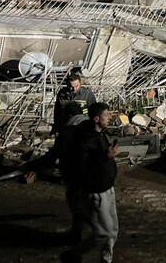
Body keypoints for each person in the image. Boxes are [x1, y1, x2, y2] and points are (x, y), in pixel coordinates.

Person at [60, 102, 120, 263]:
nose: (109, 118)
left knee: (113, 230)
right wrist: (105, 157)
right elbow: (84, 167)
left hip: (108, 187)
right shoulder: (84, 141)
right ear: (96, 119)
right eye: (106, 115)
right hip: (95, 192)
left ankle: (106, 260)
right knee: (103, 233)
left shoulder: (101, 133)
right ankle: (73, 254)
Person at [24, 101, 89, 243]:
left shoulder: (69, 131)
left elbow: (52, 156)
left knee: (77, 205)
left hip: (76, 173)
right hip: (96, 174)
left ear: (69, 115)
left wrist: (32, 166)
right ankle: (96, 234)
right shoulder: (90, 126)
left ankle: (77, 236)